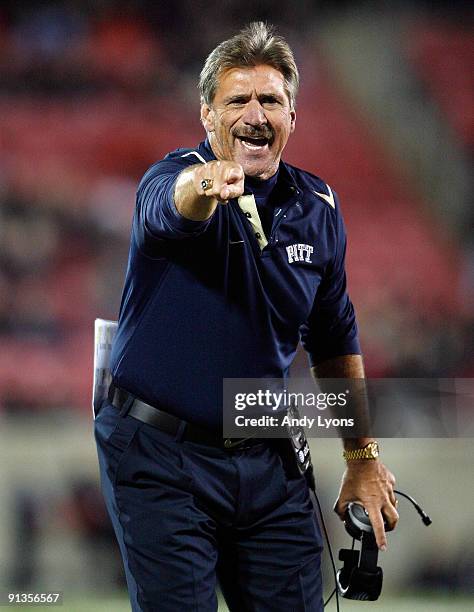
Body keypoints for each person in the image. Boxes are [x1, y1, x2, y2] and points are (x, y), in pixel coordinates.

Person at [94, 21, 398, 612]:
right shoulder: (173, 176)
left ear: (292, 118)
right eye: (238, 100)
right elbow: (168, 207)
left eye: (272, 100)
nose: (256, 114)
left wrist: (362, 457)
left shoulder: (318, 209)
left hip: (268, 458)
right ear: (207, 116)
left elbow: (334, 335)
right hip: (160, 456)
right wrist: (207, 183)